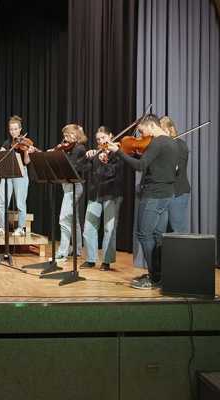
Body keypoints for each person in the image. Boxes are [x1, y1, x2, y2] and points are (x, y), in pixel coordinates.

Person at [107, 114, 179, 289]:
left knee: (144, 234)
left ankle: (154, 277)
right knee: (157, 236)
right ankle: (160, 275)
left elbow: (140, 167)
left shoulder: (157, 142)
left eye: (142, 130)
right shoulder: (172, 142)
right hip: (166, 194)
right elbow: (154, 164)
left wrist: (118, 152)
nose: (141, 135)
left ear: (152, 126)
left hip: (154, 195)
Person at [81, 126, 124, 271]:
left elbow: (113, 172)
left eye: (103, 138)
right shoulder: (96, 153)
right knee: (88, 228)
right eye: (98, 139)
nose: (101, 141)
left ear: (110, 136)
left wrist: (105, 161)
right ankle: (91, 259)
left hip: (112, 194)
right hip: (95, 194)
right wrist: (88, 157)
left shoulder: (118, 152)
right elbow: (82, 169)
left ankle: (106, 261)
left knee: (109, 229)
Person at [0, 115, 37, 236]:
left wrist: (27, 151)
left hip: (21, 173)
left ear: (20, 129)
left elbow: (27, 162)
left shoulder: (25, 143)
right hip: (7, 173)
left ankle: (21, 228)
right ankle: (2, 227)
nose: (13, 131)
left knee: (20, 203)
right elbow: (0, 156)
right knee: (2, 202)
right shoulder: (7, 142)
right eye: (11, 129)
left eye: (15, 129)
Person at [53, 123, 88, 263]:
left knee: (64, 218)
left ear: (76, 135)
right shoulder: (69, 148)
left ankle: (62, 252)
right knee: (73, 219)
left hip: (74, 186)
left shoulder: (79, 148)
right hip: (67, 185)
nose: (65, 139)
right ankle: (78, 249)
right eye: (64, 136)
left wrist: (58, 155)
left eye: (68, 135)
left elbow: (71, 165)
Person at [160, 116, 190, 233]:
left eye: (162, 132)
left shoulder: (180, 145)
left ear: (169, 130)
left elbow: (177, 169)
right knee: (162, 231)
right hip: (164, 193)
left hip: (177, 192)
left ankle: (182, 251)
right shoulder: (160, 146)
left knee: (177, 230)